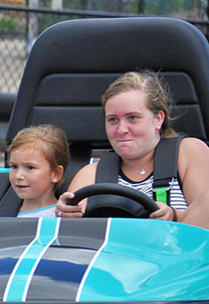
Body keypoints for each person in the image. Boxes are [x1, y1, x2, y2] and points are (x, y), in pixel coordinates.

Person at [56, 71, 209, 224]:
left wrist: (176, 216)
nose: (121, 129)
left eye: (133, 118)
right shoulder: (90, 175)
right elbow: (74, 236)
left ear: (158, 119)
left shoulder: (188, 153)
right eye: (113, 120)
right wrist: (66, 214)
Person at [7, 125, 69, 217]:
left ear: (56, 174)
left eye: (30, 167)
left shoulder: (61, 219)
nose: (18, 176)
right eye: (14, 166)